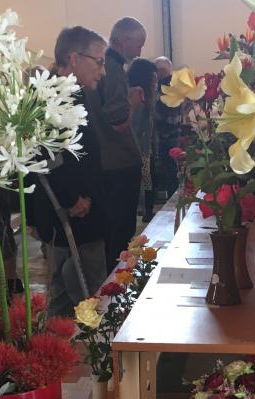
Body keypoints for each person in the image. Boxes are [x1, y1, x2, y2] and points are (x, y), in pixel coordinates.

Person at [32, 26, 109, 317]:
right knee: (89, 298)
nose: (102, 71)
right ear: (74, 58)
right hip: (74, 214)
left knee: (63, 297)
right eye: (99, 61)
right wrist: (72, 198)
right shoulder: (55, 96)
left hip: (73, 211)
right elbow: (48, 154)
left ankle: (57, 354)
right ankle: (88, 358)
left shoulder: (71, 92)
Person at [91, 17, 146, 271]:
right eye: (138, 45)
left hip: (104, 162)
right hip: (119, 162)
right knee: (120, 231)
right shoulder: (111, 68)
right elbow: (118, 122)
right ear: (123, 42)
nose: (139, 51)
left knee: (112, 231)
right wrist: (132, 105)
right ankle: (116, 285)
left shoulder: (107, 66)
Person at [129, 58, 159, 222]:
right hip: (137, 147)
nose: (155, 81)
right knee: (144, 181)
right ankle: (144, 211)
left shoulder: (148, 95)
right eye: (153, 77)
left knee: (149, 180)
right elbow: (134, 124)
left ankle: (148, 211)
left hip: (145, 146)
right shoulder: (137, 93)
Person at [154, 56, 183, 201]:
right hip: (171, 135)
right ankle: (173, 201)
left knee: (170, 171)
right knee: (171, 170)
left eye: (158, 70)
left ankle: (173, 201)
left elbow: (170, 116)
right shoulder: (174, 85)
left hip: (166, 135)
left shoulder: (166, 87)